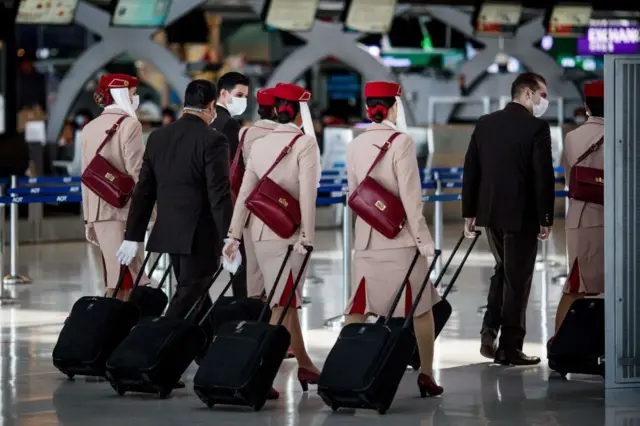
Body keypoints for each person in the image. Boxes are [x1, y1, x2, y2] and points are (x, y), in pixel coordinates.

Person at [342, 81, 442, 397]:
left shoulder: (354, 144)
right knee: (420, 307)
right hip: (400, 240)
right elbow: (412, 199)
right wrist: (424, 240)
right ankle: (426, 374)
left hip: (368, 239)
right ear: (394, 106)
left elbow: (355, 192)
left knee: (359, 306)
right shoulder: (402, 142)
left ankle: (346, 368)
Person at [222, 83, 321, 399]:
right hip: (289, 235)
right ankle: (257, 373)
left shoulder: (261, 142)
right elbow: (307, 194)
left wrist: (234, 235)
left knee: (284, 301)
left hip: (260, 234)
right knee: (280, 306)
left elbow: (245, 195)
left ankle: (304, 362)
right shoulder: (305, 144)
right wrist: (308, 236)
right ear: (300, 110)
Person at [117, 79, 232, 332]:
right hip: (201, 235)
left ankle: (207, 352)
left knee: (195, 293)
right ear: (212, 105)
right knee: (188, 295)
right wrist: (230, 237)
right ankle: (151, 346)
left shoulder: (158, 137)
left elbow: (144, 190)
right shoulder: (214, 140)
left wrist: (133, 235)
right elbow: (219, 194)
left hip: (169, 232)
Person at [462, 72, 555, 366]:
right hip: (522, 215)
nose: (544, 101)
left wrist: (470, 212)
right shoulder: (537, 128)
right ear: (527, 93)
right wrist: (546, 217)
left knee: (504, 270)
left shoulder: (485, 123)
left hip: (491, 215)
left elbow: (471, 169)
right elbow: (543, 177)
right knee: (518, 279)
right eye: (542, 94)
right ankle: (510, 348)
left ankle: (489, 331)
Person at [81, 73, 148, 300]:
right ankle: (112, 325)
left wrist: (88, 218)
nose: (135, 97)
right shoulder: (130, 125)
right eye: (132, 93)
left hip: (99, 211)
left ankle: (113, 324)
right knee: (126, 277)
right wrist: (151, 211)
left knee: (115, 273)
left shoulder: (89, 127)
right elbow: (138, 172)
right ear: (120, 94)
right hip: (124, 210)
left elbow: (86, 176)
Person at [552, 81, 605, 336]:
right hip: (615, 218)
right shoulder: (624, 134)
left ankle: (559, 347)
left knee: (575, 285)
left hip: (581, 218)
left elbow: (568, 176)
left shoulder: (572, 137)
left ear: (586, 107)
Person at [235, 88, 278, 298]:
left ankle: (254, 321)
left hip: (252, 208)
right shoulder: (291, 136)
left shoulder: (245, 133)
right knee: (279, 271)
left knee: (253, 270)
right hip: (280, 208)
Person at [212, 71, 250, 299]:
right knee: (240, 266)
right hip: (229, 202)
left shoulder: (207, 120)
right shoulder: (229, 125)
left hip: (202, 203)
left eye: (245, 95)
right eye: (239, 95)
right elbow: (238, 168)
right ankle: (241, 315)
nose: (243, 100)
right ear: (223, 94)